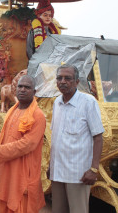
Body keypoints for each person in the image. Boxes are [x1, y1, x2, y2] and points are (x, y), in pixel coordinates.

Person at [0, 75, 46, 213]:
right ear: (15, 89)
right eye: (20, 86)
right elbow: (8, 138)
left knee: (20, 206)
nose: (22, 90)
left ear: (34, 92)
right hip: (7, 171)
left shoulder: (38, 116)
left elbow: (27, 144)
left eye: (27, 87)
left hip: (22, 175)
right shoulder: (12, 110)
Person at [49, 64, 104, 213]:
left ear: (77, 82)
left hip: (78, 173)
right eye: (59, 78)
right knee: (58, 210)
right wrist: (50, 165)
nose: (63, 81)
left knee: (78, 210)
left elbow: (98, 137)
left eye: (68, 78)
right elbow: (56, 137)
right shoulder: (57, 103)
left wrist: (93, 169)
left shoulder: (88, 102)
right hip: (58, 171)